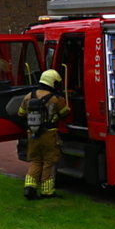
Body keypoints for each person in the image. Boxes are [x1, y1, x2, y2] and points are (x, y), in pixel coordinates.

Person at [17, 69, 71, 200]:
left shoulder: (29, 96)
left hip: (32, 134)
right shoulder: (56, 99)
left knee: (35, 160)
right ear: (53, 82)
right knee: (49, 162)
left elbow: (20, 114)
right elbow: (65, 113)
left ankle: (29, 187)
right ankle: (47, 192)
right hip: (49, 135)